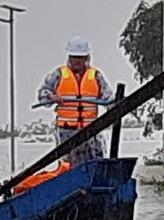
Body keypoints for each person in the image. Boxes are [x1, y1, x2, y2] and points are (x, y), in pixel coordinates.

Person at [39, 36, 111, 166]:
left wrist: (116, 106)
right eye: (74, 57)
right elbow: (42, 93)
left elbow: (109, 98)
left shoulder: (95, 76)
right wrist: (51, 96)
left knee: (95, 164)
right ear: (69, 57)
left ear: (86, 58)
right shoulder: (59, 74)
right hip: (67, 132)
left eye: (80, 57)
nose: (77, 61)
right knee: (68, 167)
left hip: (90, 132)